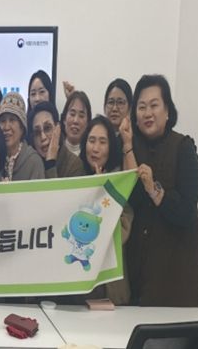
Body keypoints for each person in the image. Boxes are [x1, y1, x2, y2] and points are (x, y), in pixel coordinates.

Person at [126, 75, 198, 307]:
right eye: (141, 107)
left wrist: (154, 190)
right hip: (138, 276)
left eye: (154, 105)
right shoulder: (131, 147)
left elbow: (187, 211)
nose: (147, 113)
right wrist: (126, 146)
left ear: (167, 110)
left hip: (174, 278)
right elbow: (131, 200)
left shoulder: (184, 148)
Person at [77, 115, 134, 306]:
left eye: (102, 142)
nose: (95, 148)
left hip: (110, 290)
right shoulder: (74, 180)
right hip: (78, 287)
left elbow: (122, 232)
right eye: (91, 140)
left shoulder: (118, 183)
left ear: (111, 148)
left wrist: (102, 193)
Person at [0, 91, 44, 181]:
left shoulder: (33, 161)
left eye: (12, 120)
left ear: (22, 127)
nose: (6, 127)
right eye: (3, 121)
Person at [29, 101, 84, 179]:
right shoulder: (30, 164)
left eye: (47, 128)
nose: (43, 137)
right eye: (37, 132)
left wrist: (50, 164)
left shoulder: (74, 165)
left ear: (58, 128)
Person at [60, 90, 92, 157]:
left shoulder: (90, 156)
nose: (75, 121)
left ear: (88, 123)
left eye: (81, 116)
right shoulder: (55, 149)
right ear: (64, 119)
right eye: (72, 114)